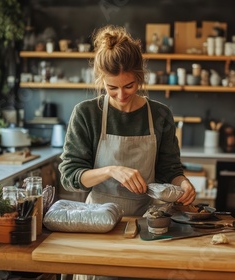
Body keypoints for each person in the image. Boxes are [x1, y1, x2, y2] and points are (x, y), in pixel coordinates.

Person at [59, 24, 196, 218]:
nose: (121, 95)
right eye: (112, 87)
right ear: (101, 80)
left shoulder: (160, 114)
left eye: (129, 86)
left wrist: (183, 183)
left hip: (149, 218)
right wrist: (111, 171)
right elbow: (69, 176)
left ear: (140, 77)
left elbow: (169, 170)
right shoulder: (86, 114)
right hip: (98, 218)